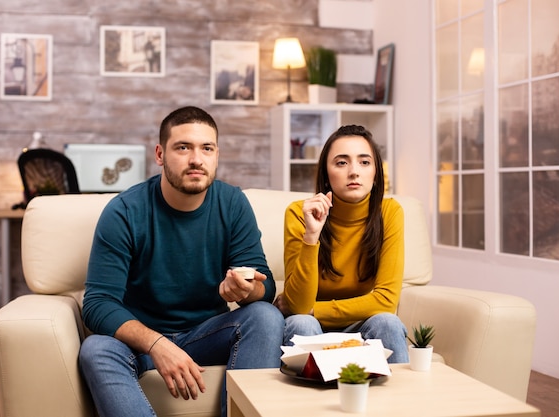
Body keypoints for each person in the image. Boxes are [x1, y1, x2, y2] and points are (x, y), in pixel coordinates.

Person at [79, 106, 285, 417]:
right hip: (142, 343)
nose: (196, 160)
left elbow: (264, 287)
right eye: (183, 147)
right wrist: (158, 344)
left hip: (208, 334)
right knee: (96, 349)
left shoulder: (233, 203)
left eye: (207, 148)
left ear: (217, 154)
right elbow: (97, 303)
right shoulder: (124, 211)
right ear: (160, 154)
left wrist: (246, 290)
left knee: (265, 316)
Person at [273, 124, 409, 363]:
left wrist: (318, 309)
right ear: (326, 174)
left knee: (388, 322)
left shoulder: (389, 212)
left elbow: (386, 301)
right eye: (342, 162)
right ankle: (308, 401)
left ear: (376, 173)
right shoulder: (298, 213)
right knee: (301, 322)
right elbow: (298, 306)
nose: (354, 171)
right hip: (311, 325)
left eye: (364, 162)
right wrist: (311, 236)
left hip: (359, 324)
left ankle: (400, 401)